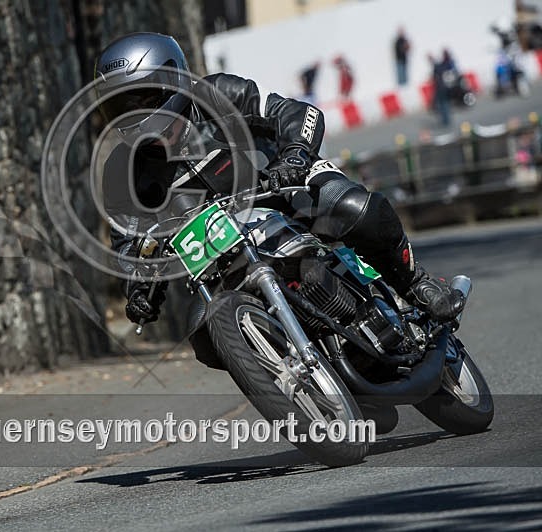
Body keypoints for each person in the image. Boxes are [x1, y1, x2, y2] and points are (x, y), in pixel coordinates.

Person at [94, 33, 465, 337]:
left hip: (285, 187)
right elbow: (130, 239)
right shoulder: (121, 172)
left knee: (354, 208)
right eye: (122, 105)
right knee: (205, 336)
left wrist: (293, 156)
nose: (136, 115)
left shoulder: (216, 94)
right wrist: (140, 289)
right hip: (227, 248)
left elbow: (297, 113)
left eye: (143, 99)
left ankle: (414, 283)